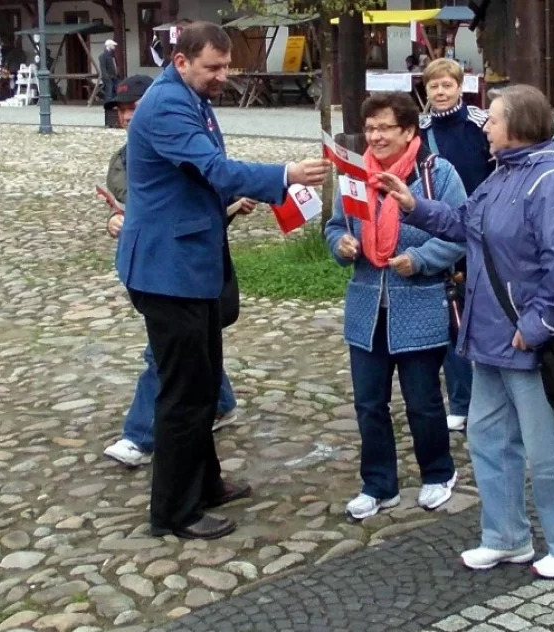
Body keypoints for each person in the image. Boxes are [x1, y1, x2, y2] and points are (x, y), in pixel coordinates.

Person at [377, 84, 554, 579]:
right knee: (488, 440)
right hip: (487, 337)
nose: (485, 127)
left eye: (494, 119)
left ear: (519, 125)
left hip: (526, 339)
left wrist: (539, 325)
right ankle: (506, 538)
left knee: (546, 447)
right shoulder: (504, 172)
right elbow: (465, 223)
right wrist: (413, 205)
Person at [116, 21, 330, 540]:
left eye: (226, 65)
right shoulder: (167, 104)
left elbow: (197, 177)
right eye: (213, 66)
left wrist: (232, 202)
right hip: (167, 270)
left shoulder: (191, 96)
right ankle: (174, 511)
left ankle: (205, 483)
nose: (223, 75)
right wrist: (284, 176)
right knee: (183, 394)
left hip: (190, 263)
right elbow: (214, 167)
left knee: (204, 384)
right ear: (181, 60)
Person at [324, 92, 467, 521]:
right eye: (370, 128)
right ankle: (378, 485)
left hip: (418, 303)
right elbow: (334, 226)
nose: (376, 136)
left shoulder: (436, 175)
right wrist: (340, 244)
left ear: (408, 131)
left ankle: (438, 473)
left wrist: (421, 260)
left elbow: (459, 232)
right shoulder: (354, 175)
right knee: (369, 404)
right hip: (367, 305)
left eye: (385, 128)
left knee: (422, 400)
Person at [99, 74, 243, 468]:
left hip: (189, 265)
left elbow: (209, 188)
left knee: (170, 357)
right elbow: (134, 206)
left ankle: (141, 437)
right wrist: (115, 222)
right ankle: (220, 404)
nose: (129, 116)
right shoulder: (124, 157)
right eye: (123, 110)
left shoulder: (185, 132)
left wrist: (240, 199)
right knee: (186, 355)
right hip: (155, 264)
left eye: (135, 107)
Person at [419, 58, 494, 432]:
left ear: (460, 87)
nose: (441, 92)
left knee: (489, 315)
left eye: (447, 85)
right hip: (444, 232)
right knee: (454, 319)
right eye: (434, 87)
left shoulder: (482, 124)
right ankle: (462, 400)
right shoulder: (420, 131)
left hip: (485, 232)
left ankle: (498, 394)